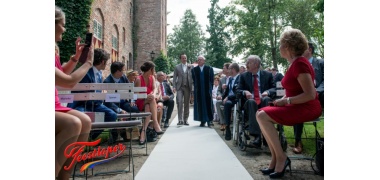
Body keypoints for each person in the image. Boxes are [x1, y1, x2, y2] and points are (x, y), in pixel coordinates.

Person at [256, 28, 322, 178]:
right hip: (296, 105)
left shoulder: (300, 64)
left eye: (280, 44)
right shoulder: (294, 63)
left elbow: (310, 94)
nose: (279, 47)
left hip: (307, 107)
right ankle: (275, 158)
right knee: (259, 113)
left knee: (262, 116)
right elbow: (294, 88)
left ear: (288, 46)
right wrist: (284, 100)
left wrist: (286, 101)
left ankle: (281, 158)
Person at [55, 6, 93, 180]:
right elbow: (67, 82)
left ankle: (65, 175)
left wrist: (76, 58)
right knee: (73, 124)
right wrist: (88, 63)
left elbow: (61, 74)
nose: (64, 28)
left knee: (85, 121)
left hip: (54, 104)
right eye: (62, 24)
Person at [67, 48, 119, 144]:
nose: (107, 64)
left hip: (96, 104)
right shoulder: (86, 72)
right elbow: (79, 94)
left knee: (112, 115)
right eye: (106, 62)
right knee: (81, 116)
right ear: (103, 61)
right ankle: (78, 140)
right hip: (81, 104)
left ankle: (90, 136)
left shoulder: (99, 73)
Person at [236, 55, 275, 148]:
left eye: (249, 62)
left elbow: (275, 88)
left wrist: (268, 92)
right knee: (251, 102)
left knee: (266, 99)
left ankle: (267, 136)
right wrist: (244, 91)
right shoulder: (243, 76)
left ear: (256, 64)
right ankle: (257, 136)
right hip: (250, 103)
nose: (246, 64)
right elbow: (237, 90)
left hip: (263, 100)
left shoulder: (268, 75)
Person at [292, 42, 324, 154]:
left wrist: (317, 91)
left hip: (319, 96)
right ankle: (298, 141)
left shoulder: (320, 63)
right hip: (303, 97)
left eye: (302, 48)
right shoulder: (296, 65)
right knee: (297, 103)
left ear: (309, 50)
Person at [135, 61, 164, 145]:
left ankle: (143, 133)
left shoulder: (152, 77)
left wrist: (153, 95)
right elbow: (136, 95)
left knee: (148, 107)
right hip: (141, 101)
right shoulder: (138, 79)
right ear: (150, 69)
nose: (154, 71)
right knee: (150, 101)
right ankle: (155, 123)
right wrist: (146, 97)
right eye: (153, 69)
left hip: (150, 101)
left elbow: (155, 89)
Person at [191, 55, 214, 127]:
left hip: (207, 90)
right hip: (199, 90)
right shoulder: (194, 70)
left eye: (201, 59)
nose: (199, 61)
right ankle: (202, 121)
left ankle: (209, 121)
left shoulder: (209, 69)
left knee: (208, 104)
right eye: (198, 60)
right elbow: (194, 80)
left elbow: (211, 80)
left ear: (204, 61)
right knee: (200, 105)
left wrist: (210, 89)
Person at [172, 53, 193, 125]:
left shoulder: (191, 66)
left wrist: (192, 88)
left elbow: (193, 77)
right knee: (179, 102)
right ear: (180, 59)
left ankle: (185, 119)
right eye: (183, 58)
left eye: (185, 58)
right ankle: (180, 120)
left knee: (187, 104)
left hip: (188, 87)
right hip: (179, 87)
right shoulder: (177, 67)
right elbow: (174, 78)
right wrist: (174, 87)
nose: (184, 59)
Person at [222, 63, 240, 140]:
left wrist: (227, 97)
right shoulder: (230, 79)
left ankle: (228, 127)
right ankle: (226, 125)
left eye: (229, 69)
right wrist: (223, 98)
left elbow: (237, 92)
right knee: (222, 102)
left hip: (236, 99)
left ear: (233, 69)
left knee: (228, 104)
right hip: (229, 98)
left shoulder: (240, 78)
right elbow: (227, 91)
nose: (228, 70)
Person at [215, 63, 230, 130]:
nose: (222, 69)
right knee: (218, 103)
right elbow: (219, 90)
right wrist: (219, 95)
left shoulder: (233, 78)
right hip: (222, 98)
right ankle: (222, 123)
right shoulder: (222, 79)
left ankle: (228, 123)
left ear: (228, 69)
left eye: (224, 68)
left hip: (230, 98)